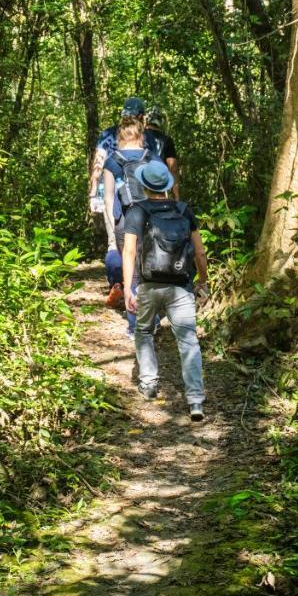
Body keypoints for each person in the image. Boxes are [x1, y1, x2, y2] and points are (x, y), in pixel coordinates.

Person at [122, 159, 210, 422]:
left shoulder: (138, 211)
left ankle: (148, 384)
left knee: (144, 331)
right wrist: (203, 280)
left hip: (149, 285)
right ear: (166, 186)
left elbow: (129, 251)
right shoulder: (183, 210)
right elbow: (199, 251)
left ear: (144, 184)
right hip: (181, 286)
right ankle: (195, 401)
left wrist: (128, 287)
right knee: (188, 342)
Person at [101, 114, 157, 314]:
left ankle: (135, 321)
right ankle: (152, 318)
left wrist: (112, 222)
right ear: (141, 136)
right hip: (151, 217)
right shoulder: (151, 157)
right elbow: (163, 189)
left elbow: (108, 197)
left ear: (119, 138)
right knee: (150, 266)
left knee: (130, 270)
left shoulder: (112, 161)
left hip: (123, 219)